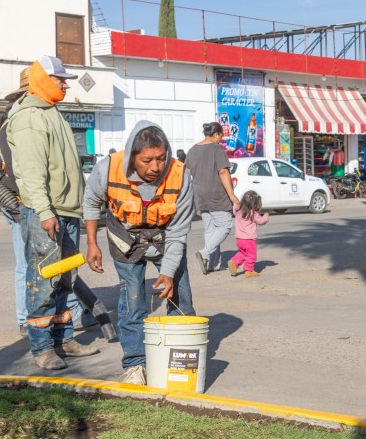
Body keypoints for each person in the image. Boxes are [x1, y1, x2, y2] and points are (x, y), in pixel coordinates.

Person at [83, 120, 195, 386]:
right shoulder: (108, 168)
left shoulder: (180, 175)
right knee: (132, 303)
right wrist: (92, 244)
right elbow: (91, 203)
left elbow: (178, 231)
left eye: (161, 158)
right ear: (132, 156)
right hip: (125, 240)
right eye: (147, 160)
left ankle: (179, 362)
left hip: (166, 239)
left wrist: (169, 272)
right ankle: (135, 365)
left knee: (181, 300)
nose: (155, 167)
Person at [6, 55, 99, 370]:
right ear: (44, 80)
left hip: (65, 211)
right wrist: (45, 212)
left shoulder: (50, 111)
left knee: (65, 279)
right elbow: (31, 172)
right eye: (60, 79)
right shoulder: (30, 117)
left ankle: (64, 339)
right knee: (43, 281)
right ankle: (43, 348)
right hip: (46, 213)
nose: (65, 85)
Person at [184, 121, 240, 275]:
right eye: (220, 136)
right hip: (216, 194)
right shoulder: (217, 149)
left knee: (210, 229)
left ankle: (211, 264)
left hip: (199, 194)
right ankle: (204, 253)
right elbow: (223, 172)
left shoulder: (192, 150)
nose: (221, 140)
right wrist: (232, 195)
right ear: (215, 134)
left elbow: (188, 173)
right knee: (224, 226)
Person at [228, 190, 269, 278]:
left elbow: (235, 205)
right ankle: (249, 270)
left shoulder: (238, 210)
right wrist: (266, 216)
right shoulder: (253, 213)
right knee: (251, 255)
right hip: (249, 239)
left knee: (243, 253)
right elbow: (261, 221)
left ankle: (234, 262)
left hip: (239, 239)